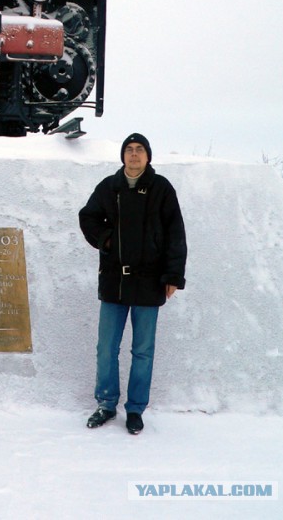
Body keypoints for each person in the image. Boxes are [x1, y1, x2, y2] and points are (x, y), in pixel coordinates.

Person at [78, 133, 186, 435]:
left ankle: (135, 409)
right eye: (129, 150)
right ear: (123, 156)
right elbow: (88, 217)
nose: (134, 155)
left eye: (140, 150)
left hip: (149, 282)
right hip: (114, 281)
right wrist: (106, 239)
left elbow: (175, 232)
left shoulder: (161, 188)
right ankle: (106, 403)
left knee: (142, 351)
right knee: (106, 348)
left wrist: (173, 277)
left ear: (148, 156)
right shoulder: (109, 187)